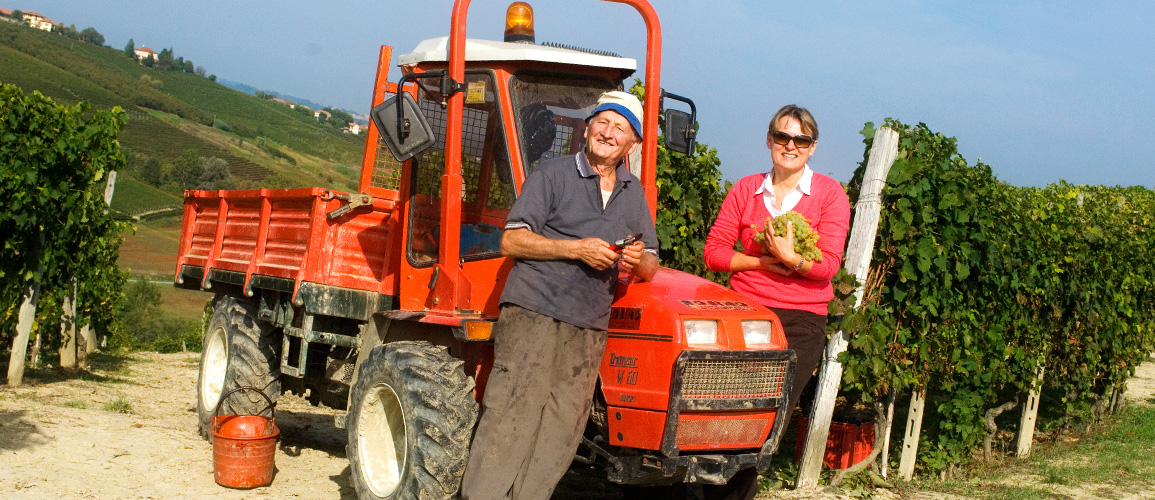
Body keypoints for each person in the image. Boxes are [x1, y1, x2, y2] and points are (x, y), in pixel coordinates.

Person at [461, 90, 659, 500]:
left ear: (632, 143)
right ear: (588, 129)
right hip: (534, 309)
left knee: (563, 426)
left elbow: (651, 264)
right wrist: (575, 248)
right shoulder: (551, 174)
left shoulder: (633, 192)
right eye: (602, 122)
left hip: (588, 324)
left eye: (619, 128)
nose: (608, 132)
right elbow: (512, 241)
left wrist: (637, 260)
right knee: (512, 411)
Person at [703, 104, 851, 429]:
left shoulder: (830, 195)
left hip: (801, 322)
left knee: (769, 420)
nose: (790, 146)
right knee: (728, 412)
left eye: (801, 140)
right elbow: (713, 253)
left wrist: (793, 260)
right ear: (769, 140)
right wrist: (762, 261)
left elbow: (827, 266)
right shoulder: (745, 189)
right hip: (746, 312)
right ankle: (718, 479)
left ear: (812, 147)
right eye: (782, 136)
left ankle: (732, 479)